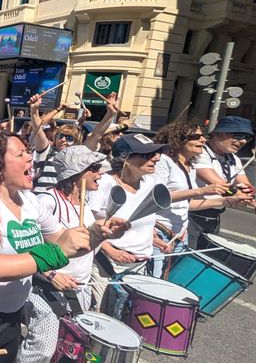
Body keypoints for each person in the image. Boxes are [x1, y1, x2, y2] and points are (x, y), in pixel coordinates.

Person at [0, 133, 124, 363]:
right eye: (21, 154)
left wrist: (96, 234)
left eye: (29, 152)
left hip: (12, 316)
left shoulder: (29, 201)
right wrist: (52, 255)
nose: (31, 157)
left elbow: (64, 240)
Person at [7, 146, 105, 363]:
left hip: (78, 286)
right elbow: (30, 247)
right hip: (45, 285)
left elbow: (85, 244)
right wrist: (52, 274)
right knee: (44, 342)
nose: (100, 173)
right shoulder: (48, 201)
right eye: (93, 168)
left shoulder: (84, 203)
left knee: (67, 341)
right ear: (76, 173)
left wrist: (109, 241)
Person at [152, 122, 250, 275]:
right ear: (179, 139)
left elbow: (187, 204)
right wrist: (201, 190)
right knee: (154, 279)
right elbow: (157, 198)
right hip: (160, 230)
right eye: (197, 137)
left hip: (180, 233)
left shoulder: (190, 164)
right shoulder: (163, 161)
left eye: (203, 136)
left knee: (174, 276)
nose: (203, 140)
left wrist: (226, 201)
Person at [88, 134, 166, 312]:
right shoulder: (103, 183)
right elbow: (89, 224)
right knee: (104, 318)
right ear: (125, 158)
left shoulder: (149, 183)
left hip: (140, 264)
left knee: (130, 320)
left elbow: (144, 221)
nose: (156, 158)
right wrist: (111, 250)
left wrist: (155, 239)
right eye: (147, 154)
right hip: (107, 264)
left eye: (156, 153)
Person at [29, 92, 118, 193]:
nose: (63, 140)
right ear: (55, 137)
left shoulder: (79, 157)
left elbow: (96, 135)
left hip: (65, 203)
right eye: (61, 136)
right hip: (41, 201)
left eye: (69, 138)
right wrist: (34, 111)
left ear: (76, 142)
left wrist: (110, 114)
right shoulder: (46, 152)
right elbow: (38, 130)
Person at [190, 116, 256, 248]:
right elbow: (219, 184)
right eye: (238, 135)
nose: (243, 141)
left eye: (247, 138)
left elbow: (246, 186)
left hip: (214, 217)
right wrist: (237, 194)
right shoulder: (201, 152)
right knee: (182, 260)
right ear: (218, 134)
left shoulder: (233, 158)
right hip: (191, 215)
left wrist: (251, 197)